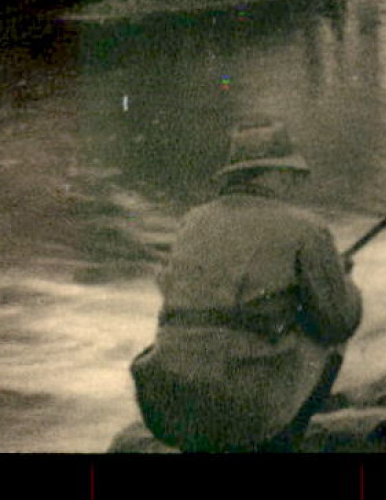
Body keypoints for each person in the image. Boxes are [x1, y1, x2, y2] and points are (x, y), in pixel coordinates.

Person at [130, 120, 362, 452]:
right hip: (244, 414)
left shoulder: (191, 222)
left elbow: (176, 294)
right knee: (330, 335)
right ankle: (280, 443)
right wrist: (340, 278)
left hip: (168, 403)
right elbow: (339, 320)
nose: (293, 183)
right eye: (289, 174)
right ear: (274, 173)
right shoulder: (306, 228)